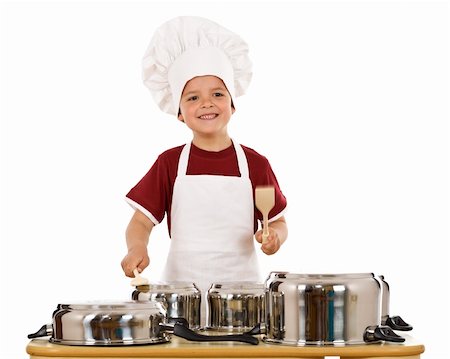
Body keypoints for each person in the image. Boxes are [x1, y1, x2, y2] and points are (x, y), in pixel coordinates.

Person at [121, 16, 288, 324]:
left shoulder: (255, 164)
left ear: (233, 103)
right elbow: (140, 222)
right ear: (180, 113)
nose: (206, 104)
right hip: (180, 302)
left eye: (218, 94)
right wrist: (136, 248)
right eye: (193, 97)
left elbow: (277, 222)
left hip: (242, 302)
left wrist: (273, 238)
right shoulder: (169, 163)